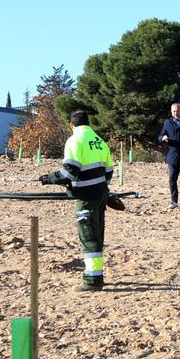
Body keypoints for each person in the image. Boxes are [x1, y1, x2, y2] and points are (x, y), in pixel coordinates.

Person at [40, 111, 114, 291]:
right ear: (88, 124)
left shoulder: (74, 140)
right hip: (101, 195)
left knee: (89, 237)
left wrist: (49, 178)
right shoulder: (99, 141)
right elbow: (109, 172)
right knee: (97, 235)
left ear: (71, 126)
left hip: (86, 197)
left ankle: (92, 281)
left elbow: (68, 172)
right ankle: (98, 275)